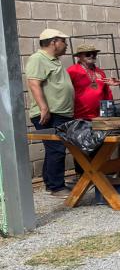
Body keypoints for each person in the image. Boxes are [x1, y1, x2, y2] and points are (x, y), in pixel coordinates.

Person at [25, 28, 74, 196]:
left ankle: (50, 182)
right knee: (56, 148)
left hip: (59, 113)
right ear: (54, 42)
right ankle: (56, 187)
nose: (66, 45)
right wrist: (44, 108)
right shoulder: (38, 58)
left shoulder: (54, 60)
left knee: (54, 148)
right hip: (50, 114)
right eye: (63, 41)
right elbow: (34, 83)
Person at [67, 43, 113, 120]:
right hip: (79, 117)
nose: (92, 56)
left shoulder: (100, 72)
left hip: (99, 117)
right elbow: (66, 93)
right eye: (88, 54)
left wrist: (107, 114)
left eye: (94, 54)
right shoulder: (72, 71)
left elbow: (107, 93)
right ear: (79, 56)